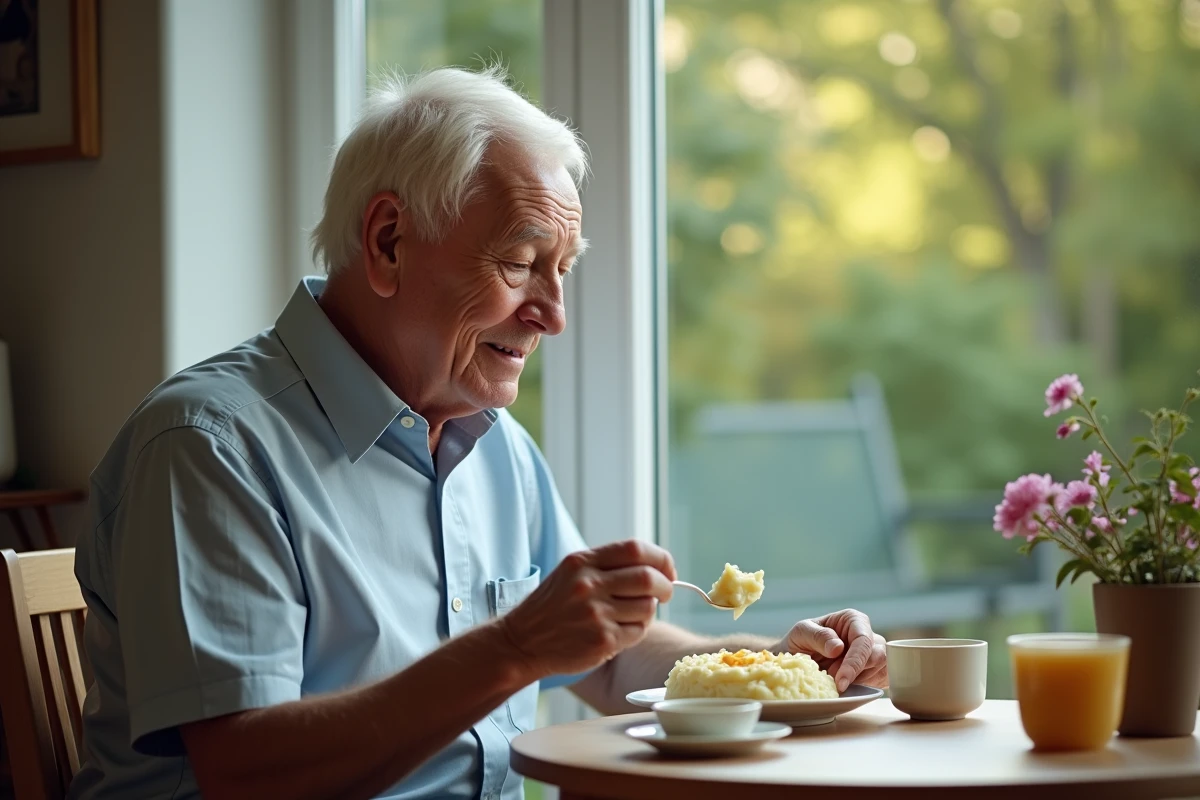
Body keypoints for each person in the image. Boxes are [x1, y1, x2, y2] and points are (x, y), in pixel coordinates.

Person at [68, 66, 888, 800]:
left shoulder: (492, 443)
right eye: (522, 263)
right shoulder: (210, 446)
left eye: (562, 271)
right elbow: (247, 774)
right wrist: (514, 647)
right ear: (388, 242)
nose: (553, 315)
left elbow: (605, 658)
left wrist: (774, 670)